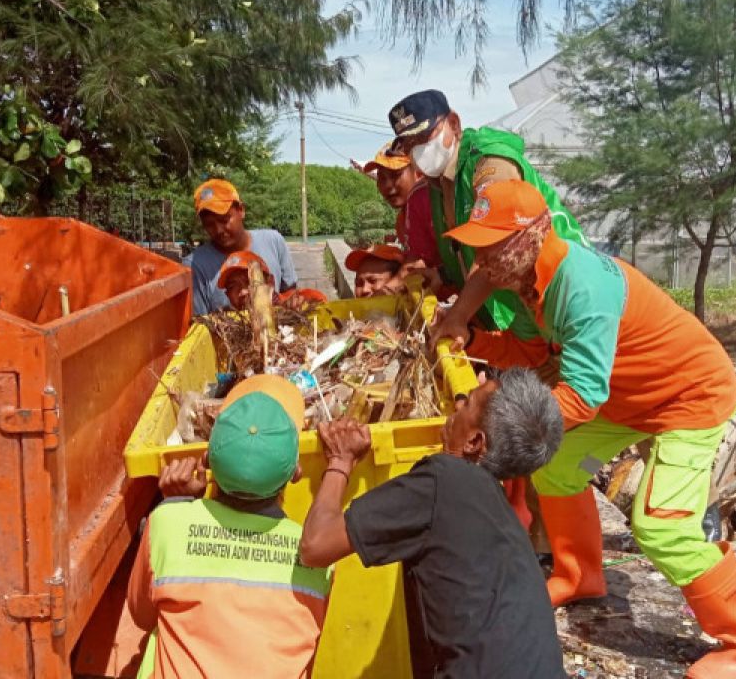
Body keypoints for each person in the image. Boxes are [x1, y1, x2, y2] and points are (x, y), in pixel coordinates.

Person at [441, 180, 736, 679]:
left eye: (494, 247)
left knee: (662, 526)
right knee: (553, 468)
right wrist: (471, 337)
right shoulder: (531, 283)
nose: (483, 262)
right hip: (628, 398)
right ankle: (580, 574)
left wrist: (501, 431)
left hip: (688, 398)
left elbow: (581, 394)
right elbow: (531, 354)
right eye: (478, 247)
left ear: (534, 235)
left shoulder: (581, 285)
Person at [300, 368, 567, 679]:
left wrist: (339, 462)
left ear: (474, 442)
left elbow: (315, 546)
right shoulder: (502, 517)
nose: (457, 404)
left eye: (467, 404)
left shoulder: (445, 480)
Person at [128, 375, 333, 679]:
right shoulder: (318, 555)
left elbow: (142, 616)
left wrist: (181, 504)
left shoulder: (166, 525)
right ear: (296, 473)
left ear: (207, 458)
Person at [383, 89, 586, 343]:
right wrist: (443, 275)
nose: (419, 150)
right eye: (410, 145)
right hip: (521, 315)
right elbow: (467, 251)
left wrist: (458, 315)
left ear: (454, 124)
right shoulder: (438, 184)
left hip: (563, 298)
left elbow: (498, 249)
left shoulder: (489, 163)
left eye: (425, 137)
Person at [184, 178, 297, 315]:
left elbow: (290, 292)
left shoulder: (274, 241)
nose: (218, 230)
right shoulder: (195, 265)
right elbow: (198, 324)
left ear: (241, 210)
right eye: (209, 224)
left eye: (224, 220)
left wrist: (286, 302)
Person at [360, 144, 440, 271]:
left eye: (395, 175)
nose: (387, 185)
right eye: (381, 178)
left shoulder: (436, 208)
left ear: (418, 173)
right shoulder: (401, 222)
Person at [217, 250, 326, 311]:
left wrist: (293, 311)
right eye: (233, 287)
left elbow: (319, 300)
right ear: (227, 295)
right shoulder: (231, 325)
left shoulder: (296, 299)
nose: (243, 292)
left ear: (270, 282)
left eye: (250, 281)